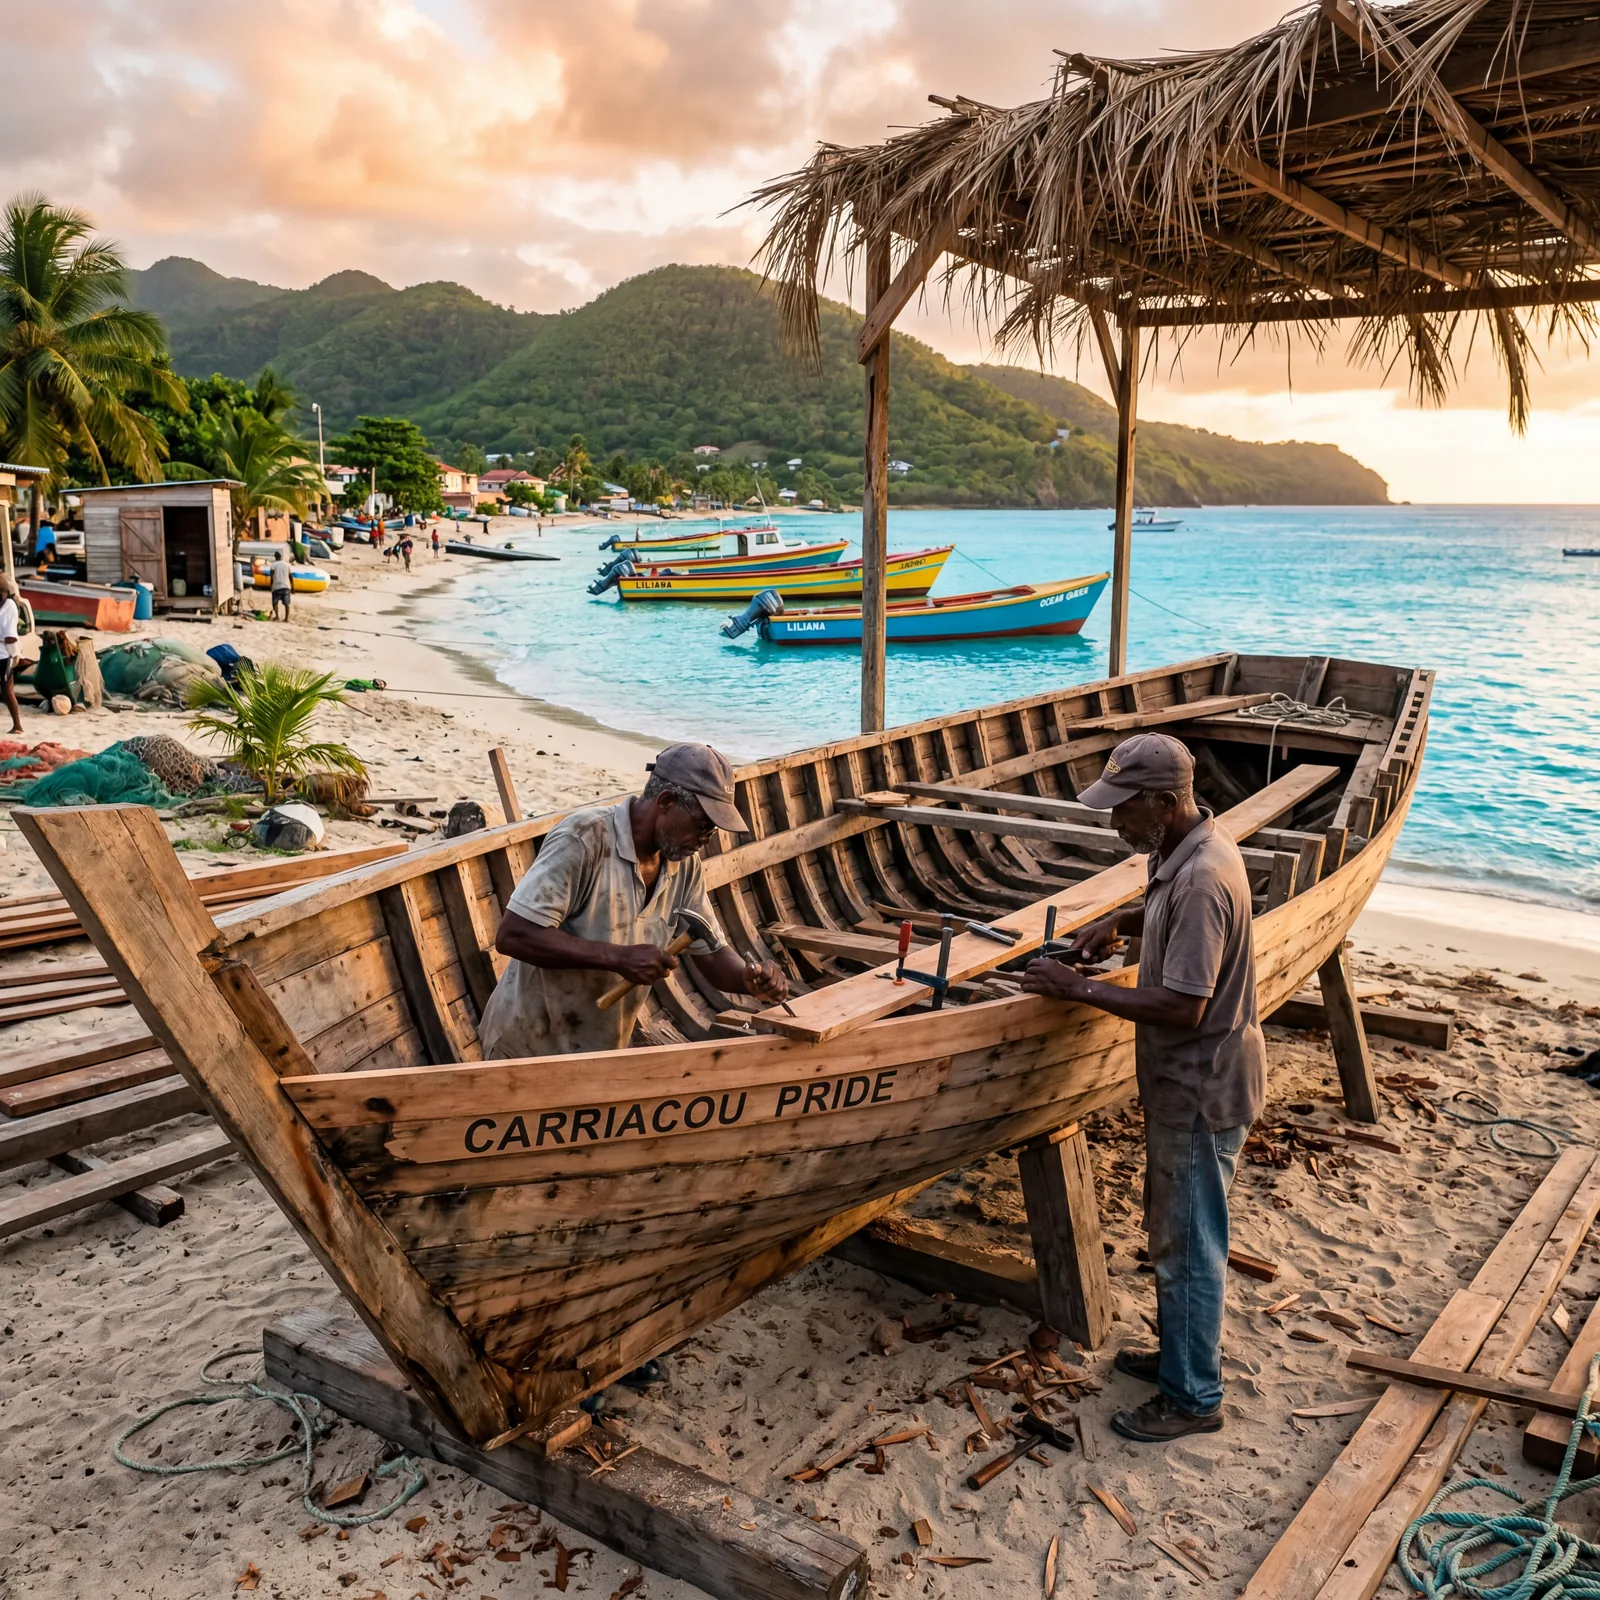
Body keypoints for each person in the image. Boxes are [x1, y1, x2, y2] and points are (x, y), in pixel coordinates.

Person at [1020, 733, 1265, 1444]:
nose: (1114, 823)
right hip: (1192, 1083)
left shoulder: (1198, 880)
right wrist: (1119, 922)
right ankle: (1180, 1360)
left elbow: (1184, 1005)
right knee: (1177, 1237)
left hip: (1200, 1088)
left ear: (1164, 802)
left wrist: (1079, 987)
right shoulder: (1183, 851)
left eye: (1124, 809)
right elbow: (1171, 933)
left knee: (1188, 1248)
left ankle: (1193, 1399)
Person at [479, 743, 789, 1062]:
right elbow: (514, 935)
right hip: (527, 1046)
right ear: (666, 802)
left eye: (713, 830)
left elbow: (710, 954)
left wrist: (748, 979)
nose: (706, 839)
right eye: (703, 825)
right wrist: (619, 957)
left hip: (599, 1052)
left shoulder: (684, 865)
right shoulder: (585, 837)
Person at [0, 576, 22, 734]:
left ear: (6, 593)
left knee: (7, 690)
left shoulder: (10, 607)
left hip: (5, 654)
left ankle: (17, 725)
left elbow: (11, 637)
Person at [269, 549, 293, 622]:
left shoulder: (273, 565)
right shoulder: (287, 565)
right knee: (287, 603)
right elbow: (291, 576)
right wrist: (293, 587)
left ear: (275, 557)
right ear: (281, 557)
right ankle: (286, 618)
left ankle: (277, 617)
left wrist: (271, 585)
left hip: (276, 586)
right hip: (286, 586)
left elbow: (272, 576)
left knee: (275, 602)